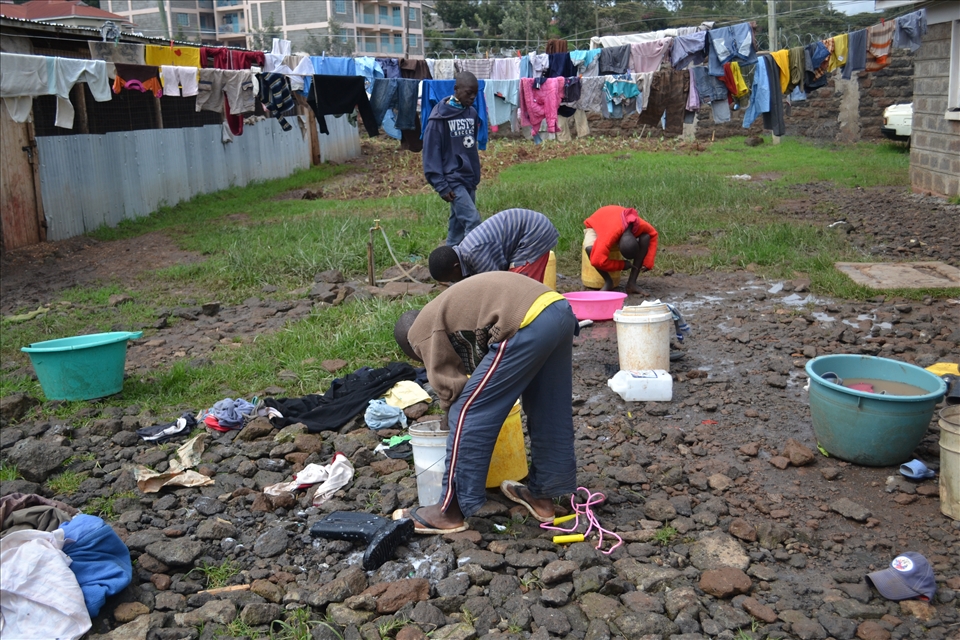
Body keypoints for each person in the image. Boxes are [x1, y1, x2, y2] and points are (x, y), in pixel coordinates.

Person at [392, 272, 578, 534]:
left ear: (412, 346)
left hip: (524, 321)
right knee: (549, 409)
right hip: (557, 310)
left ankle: (449, 511)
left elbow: (453, 389)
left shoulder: (421, 332)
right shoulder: (450, 309)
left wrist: (451, 420)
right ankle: (543, 496)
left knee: (467, 413)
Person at [422, 71, 482, 246]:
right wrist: (441, 185)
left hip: (468, 178)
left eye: (475, 94)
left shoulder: (471, 114)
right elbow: (430, 153)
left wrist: (474, 174)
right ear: (456, 89)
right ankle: (476, 264)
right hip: (453, 180)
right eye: (468, 93)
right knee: (473, 222)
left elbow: (471, 146)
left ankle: (449, 266)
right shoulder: (438, 119)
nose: (472, 97)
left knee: (456, 231)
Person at [427, 208, 559, 283]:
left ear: (456, 268)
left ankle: (533, 326)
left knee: (519, 287)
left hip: (534, 233)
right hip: (526, 233)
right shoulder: (464, 253)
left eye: (452, 279)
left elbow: (497, 284)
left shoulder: (474, 253)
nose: (454, 283)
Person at [583, 205, 658, 294]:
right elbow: (596, 260)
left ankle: (632, 283)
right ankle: (608, 281)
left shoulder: (639, 224)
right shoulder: (609, 235)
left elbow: (653, 234)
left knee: (645, 238)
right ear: (618, 245)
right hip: (596, 224)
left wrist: (648, 262)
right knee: (590, 249)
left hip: (614, 223)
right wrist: (622, 265)